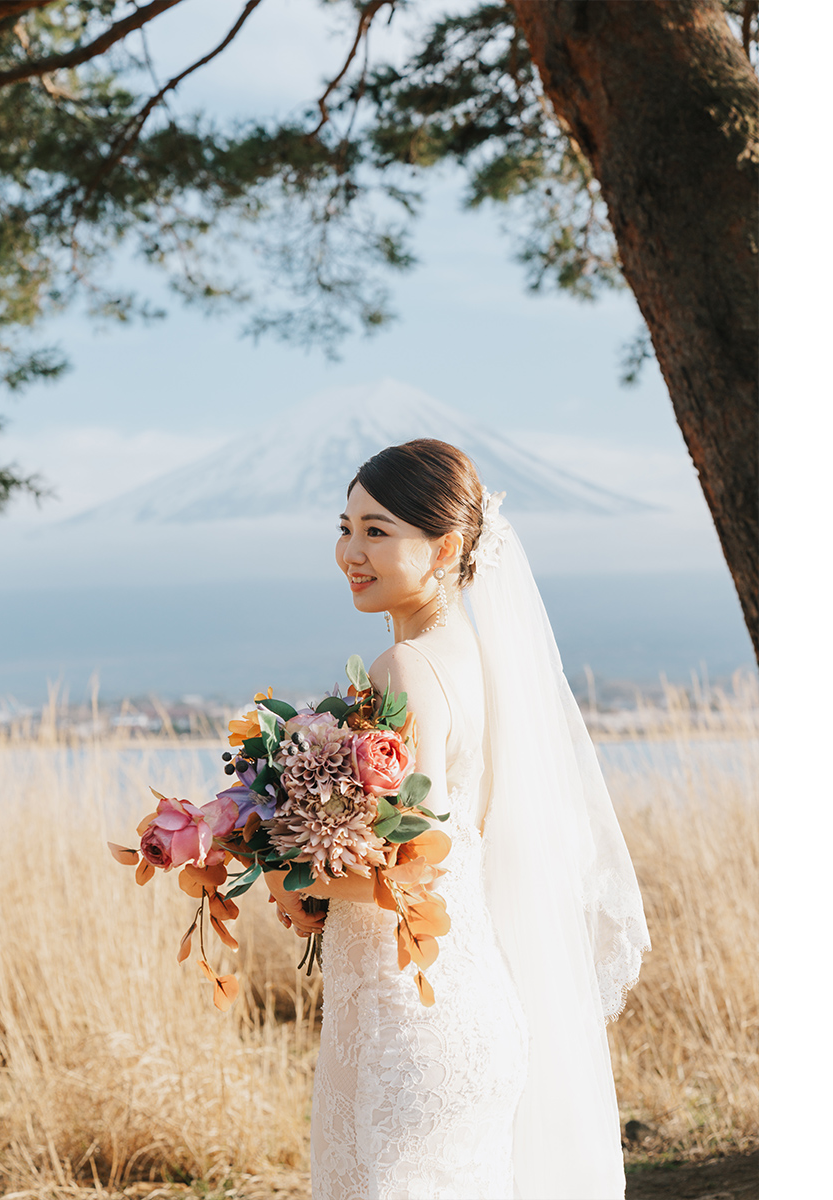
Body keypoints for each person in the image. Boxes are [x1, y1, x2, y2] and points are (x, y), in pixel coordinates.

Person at [264, 439, 649, 1200]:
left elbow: (423, 858)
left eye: (378, 531)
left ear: (444, 546)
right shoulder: (479, 657)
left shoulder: (406, 669)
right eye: (345, 527)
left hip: (405, 1021)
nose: (351, 551)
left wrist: (287, 875)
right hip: (471, 1005)